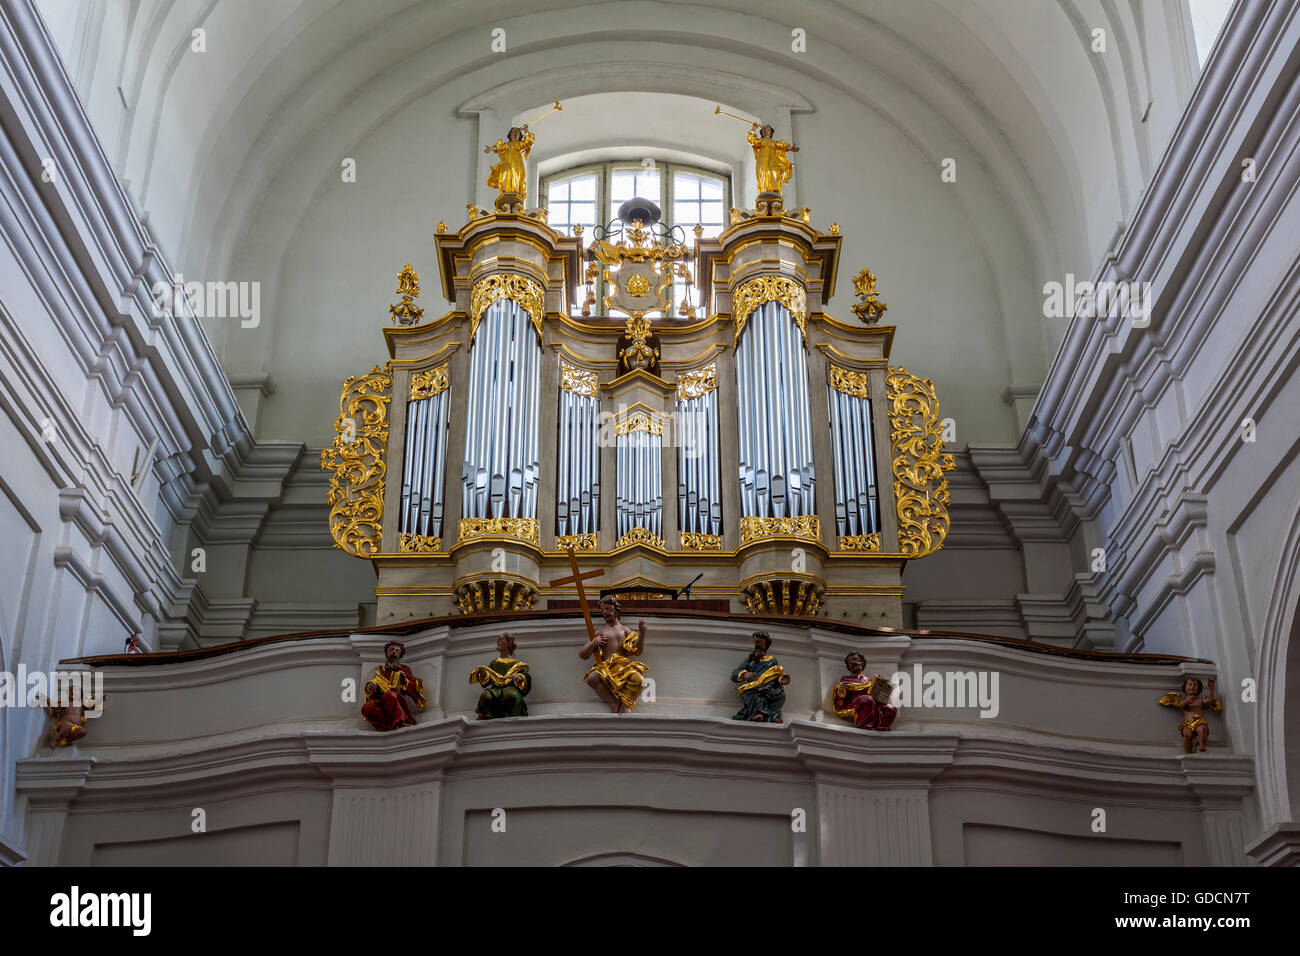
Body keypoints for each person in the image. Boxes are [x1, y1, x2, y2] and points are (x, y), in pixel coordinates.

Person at [579, 596, 648, 713]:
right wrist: (595, 643)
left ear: (616, 610)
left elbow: (637, 651)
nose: (604, 612)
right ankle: (612, 701)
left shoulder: (624, 630)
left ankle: (626, 704)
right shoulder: (600, 632)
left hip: (623, 666)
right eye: (602, 610)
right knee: (592, 678)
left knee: (638, 679)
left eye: (607, 609)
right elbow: (583, 654)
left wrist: (642, 633)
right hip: (606, 666)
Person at [361, 640, 426, 731]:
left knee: (389, 695)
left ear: (400, 655)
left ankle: (400, 722)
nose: (394, 651)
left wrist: (404, 681)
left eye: (397, 650)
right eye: (391, 649)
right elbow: (375, 682)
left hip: (396, 700)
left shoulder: (404, 669)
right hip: (382, 702)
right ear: (386, 653)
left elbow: (413, 687)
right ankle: (388, 726)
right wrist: (370, 687)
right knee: (366, 708)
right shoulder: (380, 670)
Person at [469, 633, 533, 719]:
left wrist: (520, 677)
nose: (497, 642)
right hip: (496, 689)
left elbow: (526, 676)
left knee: (510, 695)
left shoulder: (517, 664)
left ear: (508, 643)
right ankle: (484, 715)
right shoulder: (494, 662)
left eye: (500, 639)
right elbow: (487, 680)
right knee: (486, 696)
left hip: (510, 688)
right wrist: (484, 674)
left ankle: (513, 718)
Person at [731, 632, 791, 723]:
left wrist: (780, 681)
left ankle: (774, 715)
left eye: (759, 642)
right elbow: (735, 673)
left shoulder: (772, 661)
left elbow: (775, 675)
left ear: (766, 644)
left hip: (769, 687)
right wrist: (744, 674)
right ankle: (758, 714)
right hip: (754, 687)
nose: (756, 645)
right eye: (755, 642)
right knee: (754, 695)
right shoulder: (751, 660)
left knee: (780, 695)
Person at [831, 651, 897, 731]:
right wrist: (841, 690)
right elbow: (841, 695)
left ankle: (881, 726)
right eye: (849, 661)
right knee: (867, 699)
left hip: (872, 703)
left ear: (862, 662)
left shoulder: (868, 680)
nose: (852, 662)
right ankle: (865, 726)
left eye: (854, 659)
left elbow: (877, 695)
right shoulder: (846, 679)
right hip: (854, 704)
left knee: (891, 708)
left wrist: (882, 686)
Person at [1159, 676, 1222, 753]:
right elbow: (1181, 706)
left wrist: (1211, 689)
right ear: (1185, 688)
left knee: (1202, 729)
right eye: (1190, 684)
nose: (1192, 687)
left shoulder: (1200, 702)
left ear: (1199, 689)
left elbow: (1210, 700)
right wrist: (1187, 701)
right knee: (1187, 735)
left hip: (1199, 721)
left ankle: (1202, 744)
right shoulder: (1183, 701)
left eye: (1195, 685)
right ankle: (1188, 752)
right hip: (1188, 723)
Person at [484, 125, 535, 200]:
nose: (515, 133)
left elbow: (529, 142)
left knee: (517, 178)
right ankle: (505, 193)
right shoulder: (506, 145)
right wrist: (491, 148)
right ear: (510, 134)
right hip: (506, 163)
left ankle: (516, 194)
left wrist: (526, 131)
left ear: (520, 135)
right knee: (505, 176)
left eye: (517, 131)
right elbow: (498, 147)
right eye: (513, 131)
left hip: (517, 164)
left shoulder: (520, 144)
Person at [747, 123, 799, 196]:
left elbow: (783, 145)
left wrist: (791, 148)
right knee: (763, 174)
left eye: (768, 129)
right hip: (762, 161)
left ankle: (775, 191)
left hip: (773, 160)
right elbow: (751, 140)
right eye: (763, 129)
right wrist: (754, 128)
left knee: (774, 173)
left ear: (771, 132)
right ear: (761, 132)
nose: (765, 130)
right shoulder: (760, 141)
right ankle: (763, 193)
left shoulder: (774, 142)